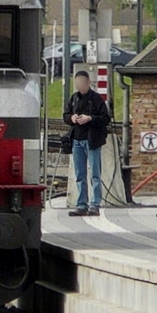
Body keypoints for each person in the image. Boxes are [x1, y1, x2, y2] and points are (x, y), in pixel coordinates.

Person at [63, 70, 110, 217]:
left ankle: (95, 204)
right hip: (77, 139)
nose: (80, 86)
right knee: (80, 174)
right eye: (77, 83)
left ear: (88, 83)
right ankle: (81, 204)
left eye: (82, 82)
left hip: (92, 140)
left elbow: (105, 119)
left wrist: (90, 118)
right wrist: (72, 118)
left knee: (95, 173)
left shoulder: (96, 99)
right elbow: (65, 115)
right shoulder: (74, 98)